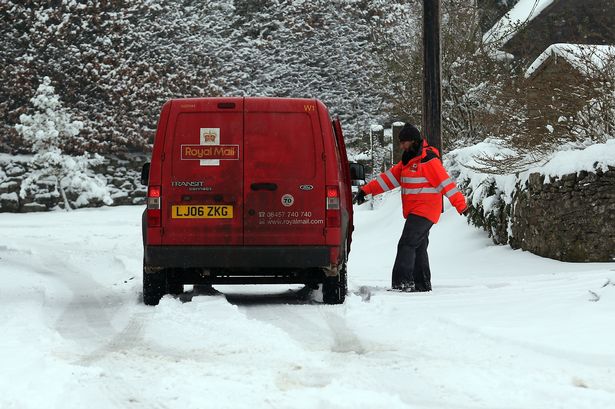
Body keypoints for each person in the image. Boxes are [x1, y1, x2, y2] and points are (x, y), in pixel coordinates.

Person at [354, 123, 468, 292]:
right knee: (419, 247)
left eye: (403, 142)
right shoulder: (408, 161)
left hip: (425, 211)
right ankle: (422, 285)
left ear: (413, 141)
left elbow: (446, 184)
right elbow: (388, 179)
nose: (401, 146)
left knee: (406, 244)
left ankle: (403, 283)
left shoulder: (428, 160)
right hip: (416, 211)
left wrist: (461, 206)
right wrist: (366, 191)